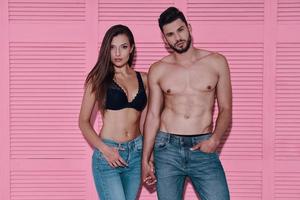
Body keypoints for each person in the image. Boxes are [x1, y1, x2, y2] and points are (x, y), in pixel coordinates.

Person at [142, 7, 231, 200]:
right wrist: (146, 158)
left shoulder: (216, 62)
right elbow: (152, 116)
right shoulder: (158, 69)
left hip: (203, 147)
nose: (177, 37)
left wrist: (214, 140)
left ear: (189, 28)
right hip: (167, 149)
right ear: (165, 39)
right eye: (170, 34)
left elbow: (225, 108)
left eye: (180, 30)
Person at [79, 24, 147, 200]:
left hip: (136, 153)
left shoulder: (145, 79)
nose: (117, 53)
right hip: (109, 154)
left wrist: (148, 157)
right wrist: (105, 149)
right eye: (112, 47)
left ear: (131, 49)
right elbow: (83, 122)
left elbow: (147, 122)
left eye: (123, 47)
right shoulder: (98, 79)